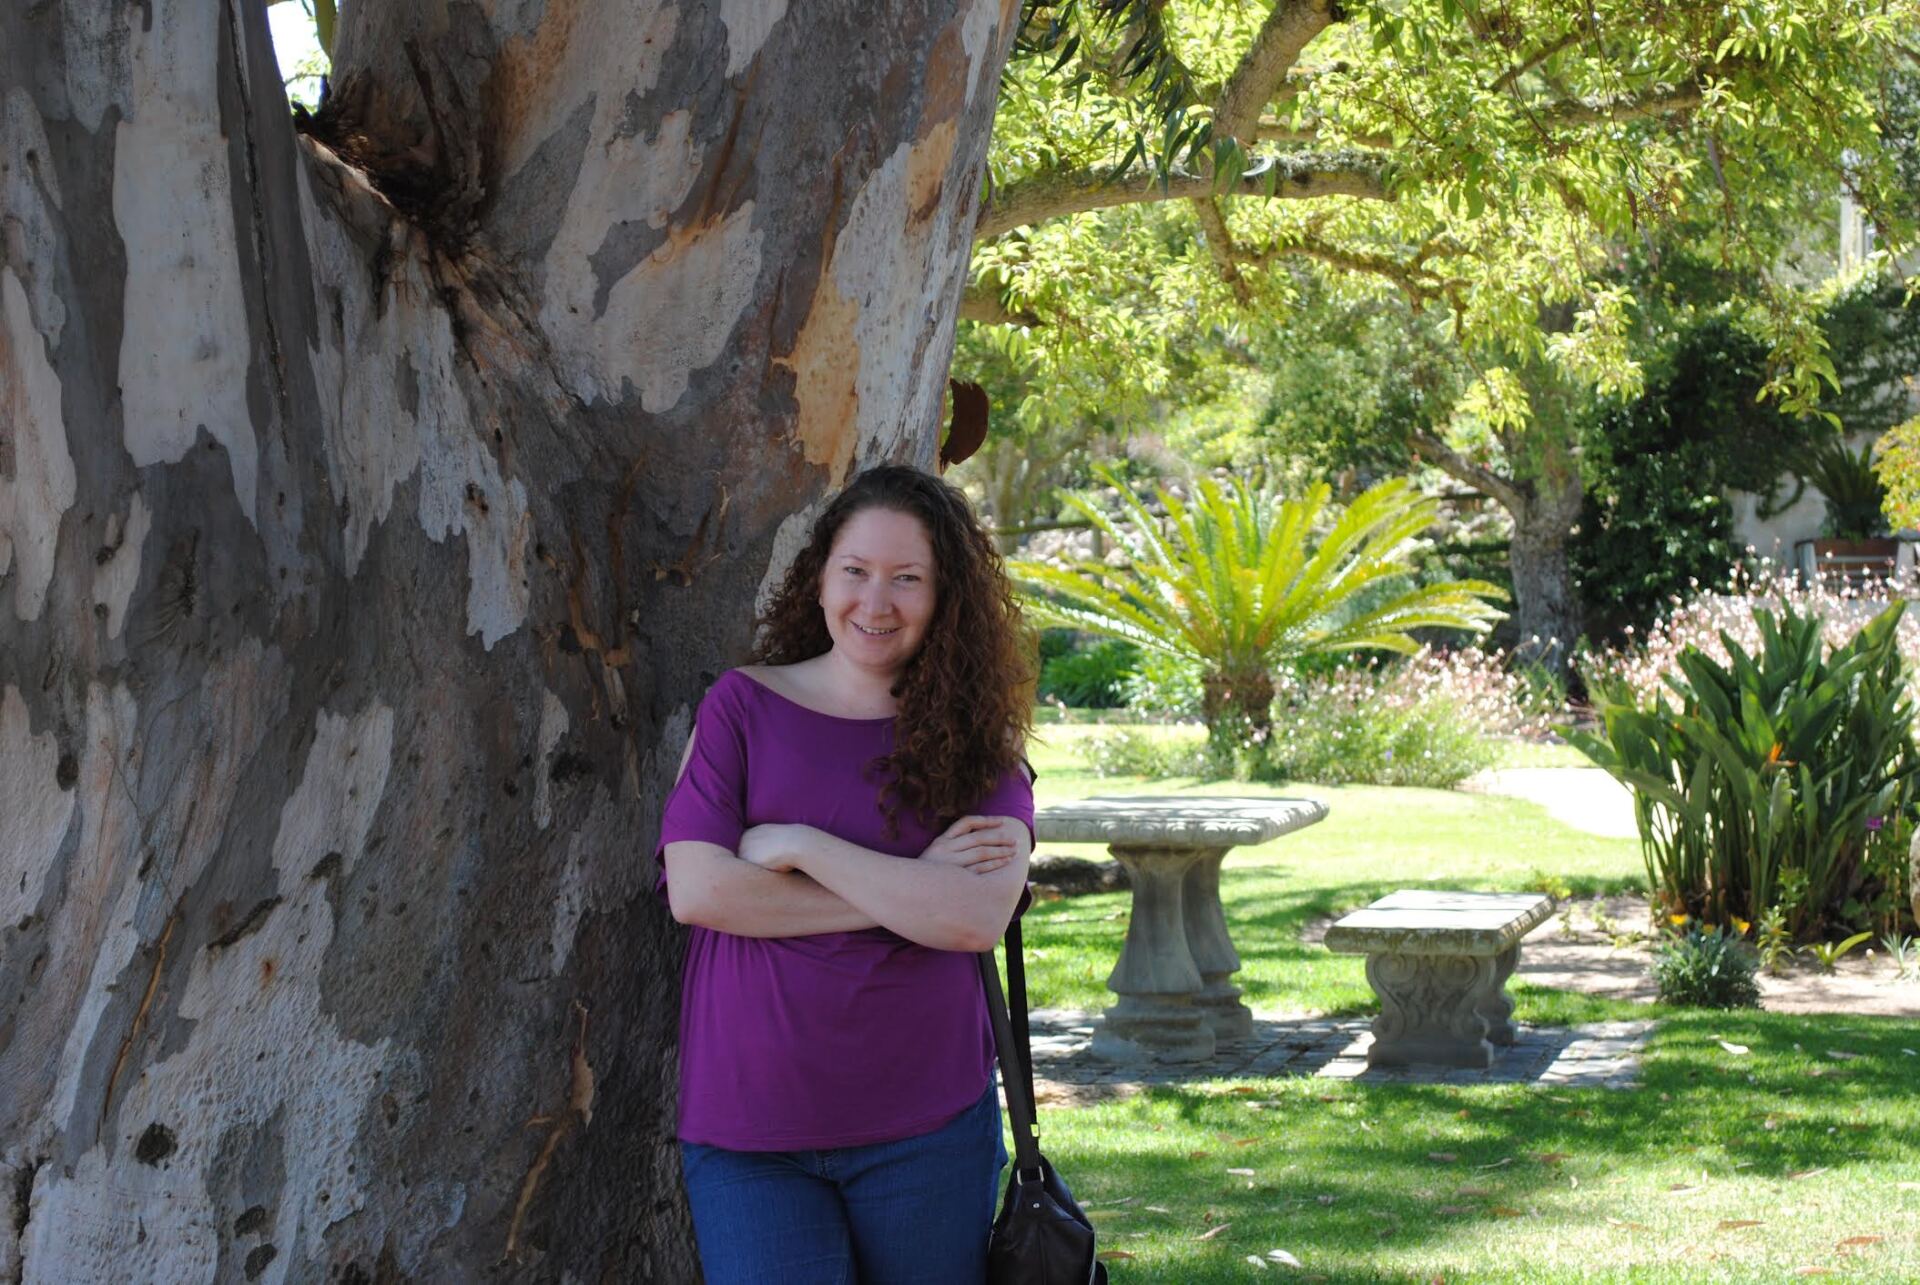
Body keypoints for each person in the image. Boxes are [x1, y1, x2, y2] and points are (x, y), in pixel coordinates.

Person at [657, 464, 1036, 1284]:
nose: (876, 602)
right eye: (856, 571)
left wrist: (798, 842)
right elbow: (700, 890)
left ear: (946, 599)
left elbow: (973, 916)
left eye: (908, 579)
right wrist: (905, 892)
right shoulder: (741, 708)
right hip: (750, 1133)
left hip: (927, 1128)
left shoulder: (980, 748)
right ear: (820, 574)